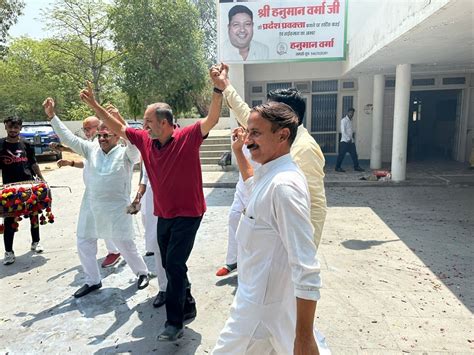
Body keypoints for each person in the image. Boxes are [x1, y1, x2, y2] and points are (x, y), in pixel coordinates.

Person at [79, 76, 223, 341]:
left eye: (148, 122)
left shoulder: (188, 137)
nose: (143, 127)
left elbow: (212, 119)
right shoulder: (145, 142)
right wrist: (96, 106)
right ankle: (188, 301)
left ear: (165, 123)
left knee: (174, 264)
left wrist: (218, 88)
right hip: (164, 213)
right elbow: (118, 127)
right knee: (170, 263)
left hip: (189, 213)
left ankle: (174, 322)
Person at [213, 102, 328, 355]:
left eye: (256, 133)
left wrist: (305, 338)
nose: (249, 139)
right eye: (248, 132)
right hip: (260, 305)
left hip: (257, 315)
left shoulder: (284, 186)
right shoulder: (270, 174)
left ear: (283, 135)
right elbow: (255, 187)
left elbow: (306, 266)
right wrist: (239, 153)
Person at [210, 63, 327, 248]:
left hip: (284, 248)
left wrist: (307, 250)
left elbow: (316, 205)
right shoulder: (275, 138)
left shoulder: (305, 148)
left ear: (285, 119)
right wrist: (225, 85)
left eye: (269, 110)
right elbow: (244, 112)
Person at [43, 98, 150, 298]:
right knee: (84, 241)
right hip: (91, 205)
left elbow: (134, 143)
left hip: (117, 208)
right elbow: (68, 139)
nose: (101, 138)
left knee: (125, 244)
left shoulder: (127, 153)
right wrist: (52, 117)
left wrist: (119, 118)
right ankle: (93, 280)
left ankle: (142, 273)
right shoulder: (91, 149)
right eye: (99, 135)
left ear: (117, 136)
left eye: (106, 135)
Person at [55, 116, 122, 268]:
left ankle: (116, 252)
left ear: (98, 127)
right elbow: (85, 164)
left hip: (107, 194)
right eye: (84, 128)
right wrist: (70, 162)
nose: (86, 132)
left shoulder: (105, 144)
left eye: (88, 128)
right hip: (92, 194)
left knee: (107, 224)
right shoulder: (93, 145)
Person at [0, 116, 46, 265]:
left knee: (34, 214)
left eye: (16, 127)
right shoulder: (0, 145)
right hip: (10, 189)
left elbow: (33, 164)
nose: (13, 130)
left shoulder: (26, 145)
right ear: (6, 127)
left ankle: (36, 242)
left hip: (29, 186)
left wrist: (41, 179)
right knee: (9, 219)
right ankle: (8, 252)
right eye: (10, 127)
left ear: (20, 128)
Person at [215, 142, 259, 277]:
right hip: (242, 187)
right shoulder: (241, 142)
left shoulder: (263, 140)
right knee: (233, 217)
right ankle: (232, 261)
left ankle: (253, 262)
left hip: (256, 186)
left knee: (253, 226)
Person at [131, 164, 168, 308]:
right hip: (152, 203)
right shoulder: (148, 148)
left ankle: (184, 287)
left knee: (175, 249)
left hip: (174, 201)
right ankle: (164, 288)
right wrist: (137, 198)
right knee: (157, 247)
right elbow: (145, 178)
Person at [335, 108, 365, 172]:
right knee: (341, 155)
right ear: (347, 112)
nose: (351, 114)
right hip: (344, 142)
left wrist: (351, 139)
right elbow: (343, 131)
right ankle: (337, 167)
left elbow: (350, 131)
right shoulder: (344, 120)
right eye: (350, 113)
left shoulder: (351, 121)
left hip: (351, 142)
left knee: (354, 155)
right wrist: (348, 139)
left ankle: (356, 167)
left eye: (352, 113)